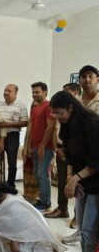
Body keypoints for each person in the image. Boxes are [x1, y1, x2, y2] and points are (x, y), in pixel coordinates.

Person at [50, 90, 99, 252]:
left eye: (60, 113)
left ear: (71, 107)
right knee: (85, 231)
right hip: (84, 182)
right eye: (54, 114)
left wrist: (75, 178)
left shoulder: (91, 123)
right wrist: (72, 176)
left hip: (97, 183)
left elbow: (96, 159)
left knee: (88, 232)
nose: (58, 117)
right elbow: (69, 153)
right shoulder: (68, 124)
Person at [0, 175, 68, 252]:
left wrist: (14, 241)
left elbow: (28, 224)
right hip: (10, 234)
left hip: (28, 233)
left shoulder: (12, 204)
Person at [63, 66, 99, 245]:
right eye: (83, 77)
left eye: (90, 76)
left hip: (96, 157)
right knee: (80, 200)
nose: (86, 80)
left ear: (97, 79)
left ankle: (87, 235)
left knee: (93, 212)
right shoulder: (76, 102)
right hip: (80, 157)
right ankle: (81, 231)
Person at [45, 83, 81, 220]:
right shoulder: (60, 110)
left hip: (76, 153)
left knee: (78, 185)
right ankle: (62, 208)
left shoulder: (80, 112)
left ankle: (78, 216)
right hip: (61, 150)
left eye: (67, 93)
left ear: (76, 94)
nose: (63, 97)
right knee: (61, 182)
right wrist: (56, 149)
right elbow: (56, 130)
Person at [27, 82, 56, 212]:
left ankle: (46, 202)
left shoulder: (49, 106)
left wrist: (43, 146)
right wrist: (30, 147)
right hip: (35, 146)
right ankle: (42, 198)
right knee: (38, 175)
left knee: (43, 174)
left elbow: (50, 127)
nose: (34, 94)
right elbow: (32, 129)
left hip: (45, 147)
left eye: (37, 92)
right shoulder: (36, 108)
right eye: (33, 92)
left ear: (45, 92)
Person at [0, 84, 28, 187]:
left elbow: (25, 122)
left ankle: (10, 185)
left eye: (9, 91)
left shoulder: (21, 105)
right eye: (5, 90)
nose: (6, 92)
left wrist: (7, 124)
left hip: (12, 136)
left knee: (12, 162)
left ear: (15, 93)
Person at [22, 101, 39, 203]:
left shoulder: (40, 119)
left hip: (36, 151)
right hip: (28, 150)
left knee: (36, 174)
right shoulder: (30, 119)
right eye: (32, 106)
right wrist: (25, 149)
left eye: (36, 106)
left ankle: (36, 197)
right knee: (27, 173)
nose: (33, 108)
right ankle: (27, 195)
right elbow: (27, 136)